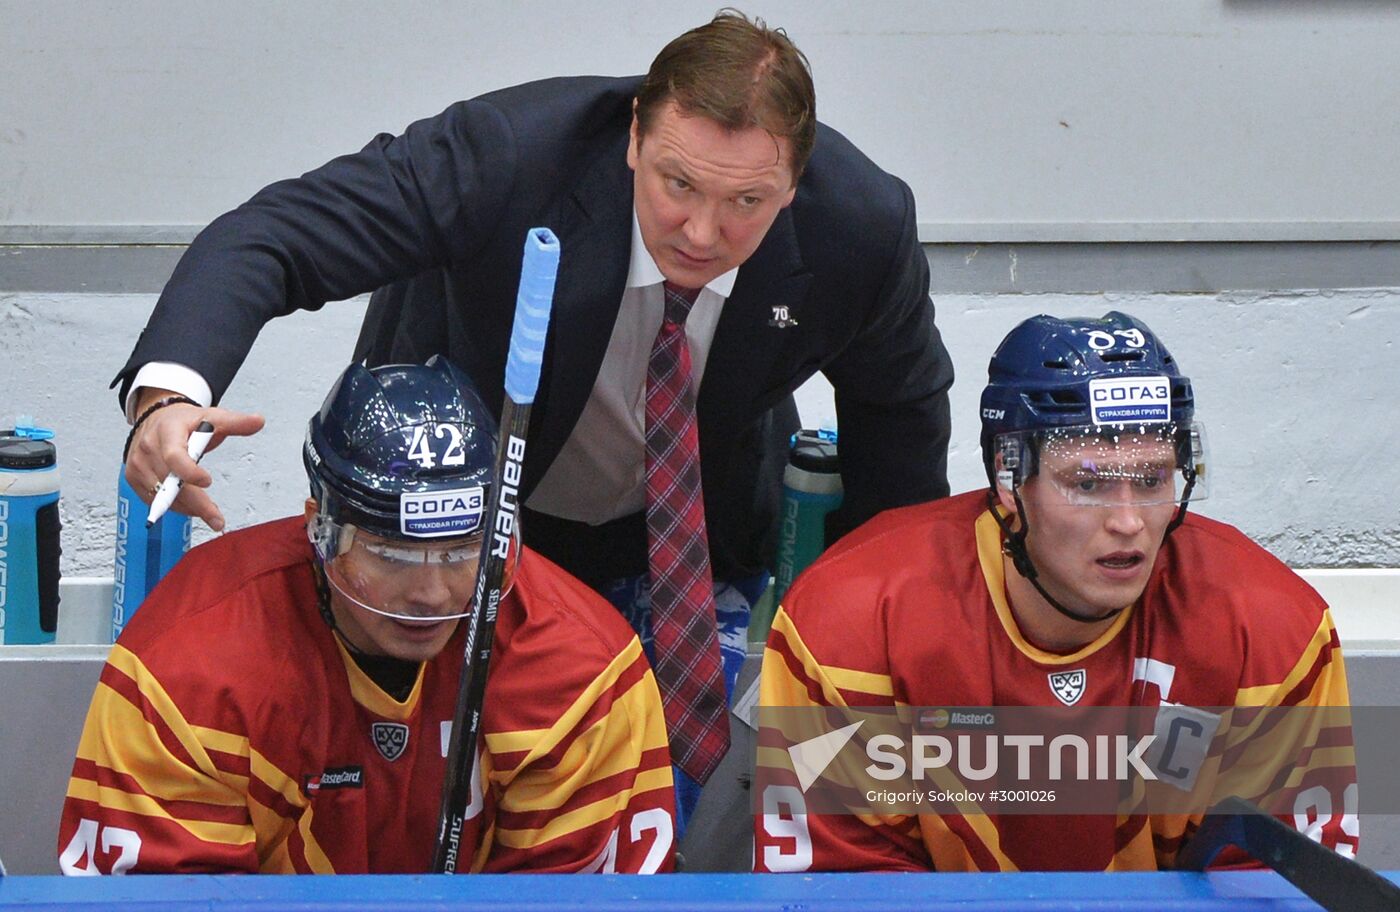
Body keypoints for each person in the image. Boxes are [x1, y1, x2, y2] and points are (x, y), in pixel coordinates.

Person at [113, 9, 953, 835]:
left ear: (795, 184)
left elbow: (900, 426)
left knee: (659, 816)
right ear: (633, 138)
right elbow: (280, 234)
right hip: (450, 529)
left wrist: (884, 636)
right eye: (678, 183)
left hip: (687, 542)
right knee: (422, 798)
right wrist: (170, 392)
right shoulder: (512, 155)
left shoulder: (862, 226)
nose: (701, 231)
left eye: (747, 201)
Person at [754, 312, 1357, 872]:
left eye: (1151, 479)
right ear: (1009, 482)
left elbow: (1276, 891)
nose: (1128, 521)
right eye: (1088, 484)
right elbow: (835, 892)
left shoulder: (1275, 631)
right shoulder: (852, 620)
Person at [59, 357, 675, 874]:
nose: (433, 594)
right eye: (392, 553)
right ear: (318, 527)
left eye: (464, 550)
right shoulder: (189, 667)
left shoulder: (583, 671)